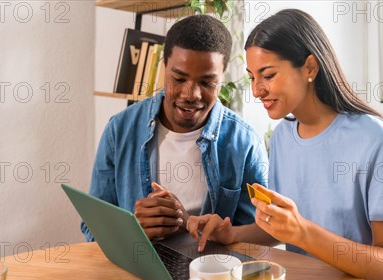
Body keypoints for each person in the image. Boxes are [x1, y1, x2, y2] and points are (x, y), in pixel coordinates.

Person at [188, 9, 383, 280]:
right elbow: (278, 225)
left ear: (309, 67)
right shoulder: (281, 137)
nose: (257, 90)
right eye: (251, 77)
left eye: (268, 74)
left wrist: (303, 233)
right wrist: (229, 233)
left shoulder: (376, 139)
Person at [83, 14, 268, 242]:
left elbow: (259, 236)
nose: (191, 94)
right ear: (164, 67)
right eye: (179, 79)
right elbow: (91, 226)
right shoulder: (119, 130)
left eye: (207, 82)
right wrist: (132, 229)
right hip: (138, 270)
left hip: (210, 273)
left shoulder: (245, 142)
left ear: (223, 77)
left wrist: (203, 231)